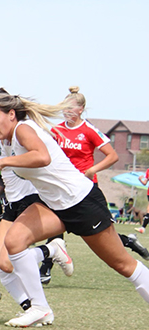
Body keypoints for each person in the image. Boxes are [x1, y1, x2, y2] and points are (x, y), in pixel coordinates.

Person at [0, 93, 149, 327]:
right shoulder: (8, 140)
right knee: (14, 241)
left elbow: (42, 157)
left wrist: (5, 163)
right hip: (53, 204)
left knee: (124, 265)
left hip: (81, 203)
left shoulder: (22, 129)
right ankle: (40, 308)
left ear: (11, 115)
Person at [0, 88, 70, 320]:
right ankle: (35, 308)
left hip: (33, 198)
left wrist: (6, 161)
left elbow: (40, 156)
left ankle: (52, 253)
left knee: (10, 256)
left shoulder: (17, 132)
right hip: (12, 203)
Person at [48, 86, 149, 262]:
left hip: (86, 188)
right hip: (62, 185)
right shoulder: (56, 131)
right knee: (54, 223)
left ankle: (129, 241)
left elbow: (113, 156)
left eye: (70, 108)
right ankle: (45, 268)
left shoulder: (89, 130)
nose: (66, 112)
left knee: (100, 235)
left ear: (81, 110)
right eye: (64, 108)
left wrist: (93, 170)